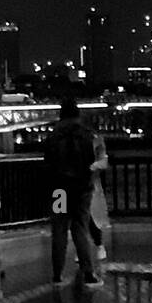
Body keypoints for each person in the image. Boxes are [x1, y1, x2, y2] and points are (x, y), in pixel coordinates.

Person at [43, 97, 102, 288]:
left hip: (58, 188)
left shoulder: (53, 136)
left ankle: (57, 274)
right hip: (81, 188)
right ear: (78, 114)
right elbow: (92, 162)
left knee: (59, 229)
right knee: (80, 228)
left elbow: (48, 163)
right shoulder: (86, 135)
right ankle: (88, 273)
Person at [89, 131, 110, 261]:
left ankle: (97, 245)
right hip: (84, 184)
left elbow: (103, 162)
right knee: (87, 217)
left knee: (89, 217)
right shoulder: (95, 139)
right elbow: (103, 162)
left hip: (65, 186)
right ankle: (97, 246)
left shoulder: (96, 140)